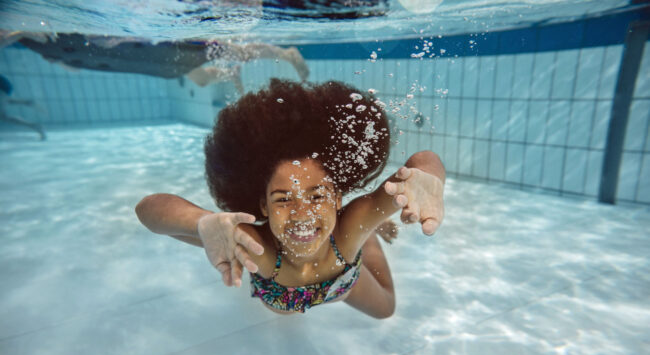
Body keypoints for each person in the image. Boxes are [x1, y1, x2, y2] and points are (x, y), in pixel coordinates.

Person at [136, 79, 445, 319]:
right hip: (285, 299)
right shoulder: (255, 245)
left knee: (386, 307)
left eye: (317, 195)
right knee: (287, 313)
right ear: (262, 206)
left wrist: (431, 179)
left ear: (337, 198)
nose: (302, 213)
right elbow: (147, 209)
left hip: (343, 277)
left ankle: (370, 234)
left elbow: (423, 160)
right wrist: (200, 222)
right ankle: (370, 230)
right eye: (283, 200)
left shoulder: (349, 226)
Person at [8, 31, 309, 95]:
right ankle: (229, 75)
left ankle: (286, 53)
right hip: (159, 63)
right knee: (202, 79)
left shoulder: (27, 31)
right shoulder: (33, 37)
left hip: (162, 50)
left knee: (230, 50)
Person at [0, 74, 46, 140]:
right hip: (4, 89)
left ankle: (35, 126)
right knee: (3, 113)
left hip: (2, 89)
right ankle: (26, 102)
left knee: (3, 116)